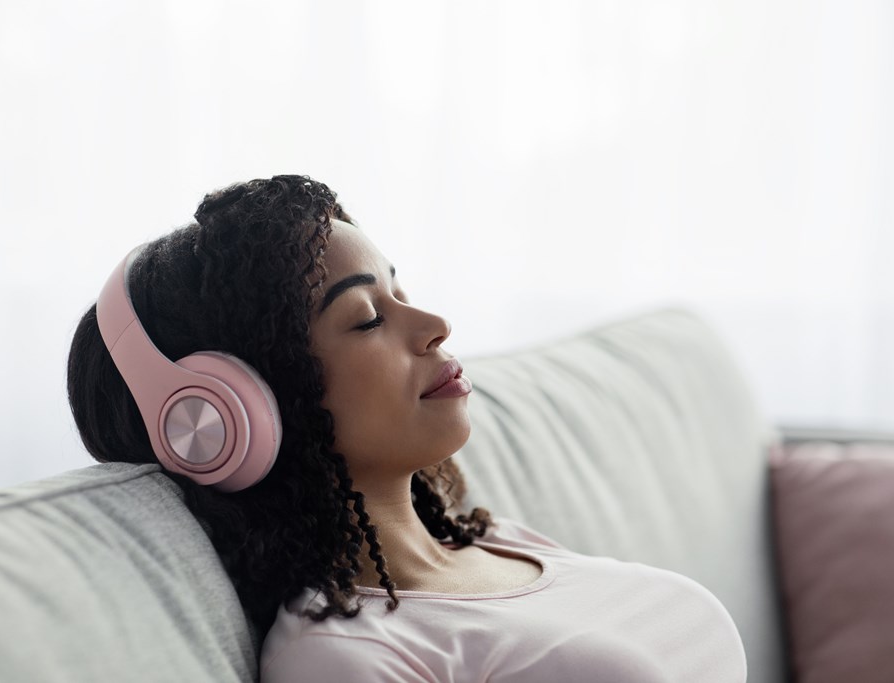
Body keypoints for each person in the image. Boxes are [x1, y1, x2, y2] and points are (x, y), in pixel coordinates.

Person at [66, 175, 747, 682]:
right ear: (230, 414)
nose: (434, 325)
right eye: (366, 316)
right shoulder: (348, 658)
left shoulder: (494, 541)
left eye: (400, 291)